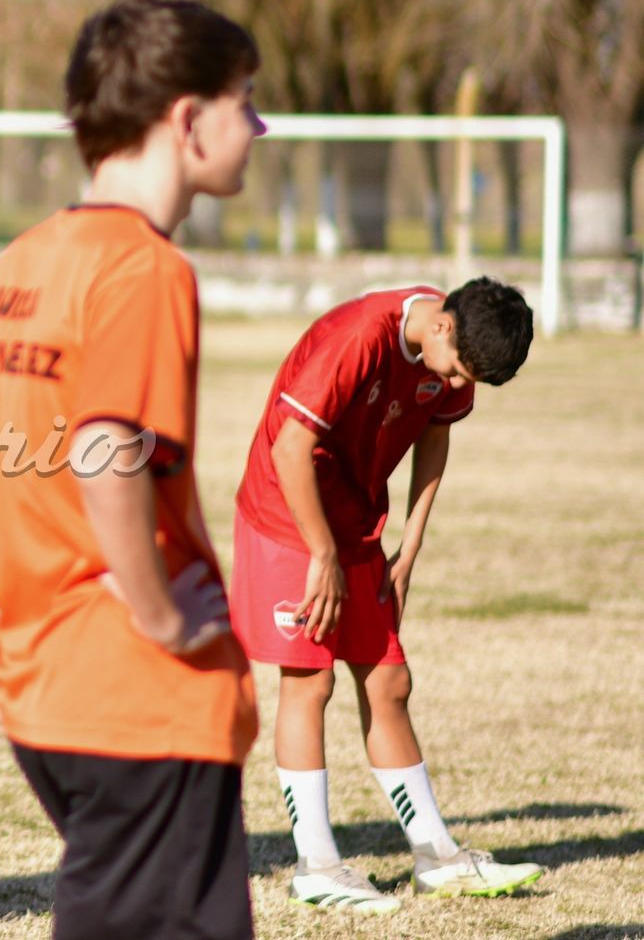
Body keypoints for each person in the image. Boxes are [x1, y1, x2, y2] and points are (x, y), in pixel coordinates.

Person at [0, 0, 263, 940]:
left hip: (43, 685)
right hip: (139, 697)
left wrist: (30, 592)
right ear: (189, 120)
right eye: (245, 101)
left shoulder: (25, 258)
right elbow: (103, 447)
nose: (257, 126)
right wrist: (159, 613)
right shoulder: (146, 268)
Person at [230, 277, 543, 912]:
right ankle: (317, 866)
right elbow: (291, 446)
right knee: (310, 682)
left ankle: (437, 856)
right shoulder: (359, 338)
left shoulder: (453, 354)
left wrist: (411, 545)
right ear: (442, 326)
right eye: (459, 370)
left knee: (389, 683)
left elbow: (436, 431)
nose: (459, 386)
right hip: (289, 518)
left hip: (355, 524)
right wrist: (320, 553)